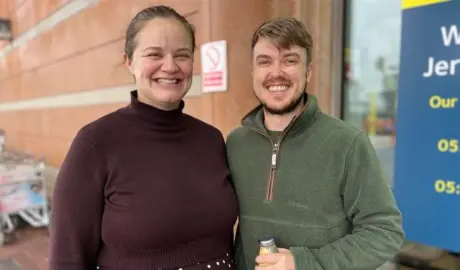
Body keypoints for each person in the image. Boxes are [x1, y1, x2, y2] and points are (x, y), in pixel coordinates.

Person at [48, 5, 238, 270]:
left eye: (182, 55)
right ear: (129, 62)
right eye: (154, 54)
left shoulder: (212, 140)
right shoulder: (95, 143)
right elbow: (67, 259)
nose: (170, 66)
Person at [226, 17, 404, 270]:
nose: (276, 72)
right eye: (264, 61)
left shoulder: (347, 143)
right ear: (253, 72)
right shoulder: (235, 143)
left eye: (290, 60)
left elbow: (384, 232)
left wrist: (304, 263)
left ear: (308, 71)